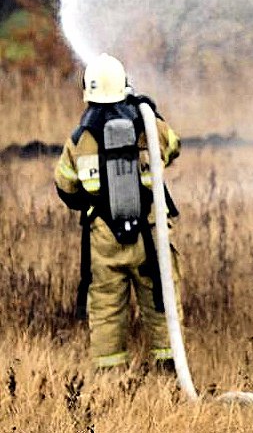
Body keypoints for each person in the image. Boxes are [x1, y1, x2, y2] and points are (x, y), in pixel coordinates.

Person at [54, 53, 183, 371]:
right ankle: (169, 369)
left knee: (107, 307)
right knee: (159, 300)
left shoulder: (80, 138)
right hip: (149, 236)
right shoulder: (148, 125)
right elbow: (172, 147)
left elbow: (65, 187)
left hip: (105, 237)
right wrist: (152, 113)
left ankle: (111, 374)